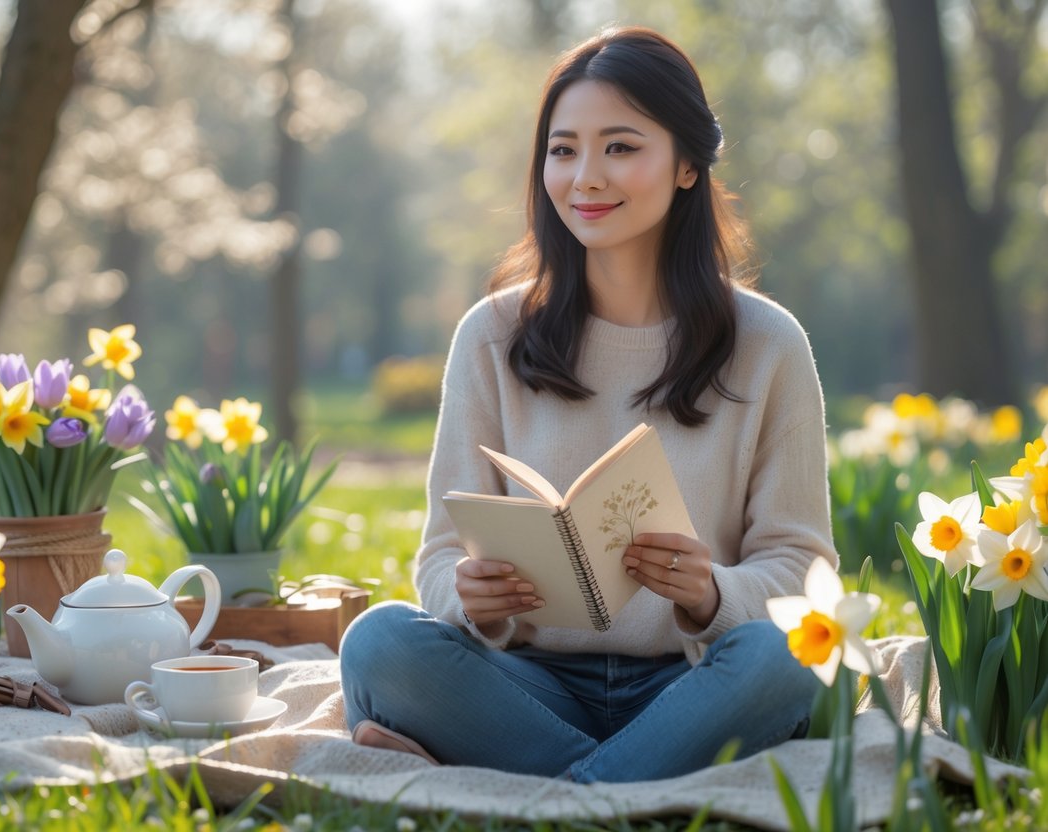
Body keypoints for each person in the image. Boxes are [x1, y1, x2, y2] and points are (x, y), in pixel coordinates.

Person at [339, 25, 834, 783]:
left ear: (687, 166)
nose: (585, 177)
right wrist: (473, 600)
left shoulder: (767, 344)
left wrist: (711, 592)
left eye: (621, 147)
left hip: (696, 682)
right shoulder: (491, 336)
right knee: (377, 643)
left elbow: (800, 569)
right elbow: (440, 558)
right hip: (528, 687)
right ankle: (624, 787)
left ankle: (551, 790)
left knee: (790, 653)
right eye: (563, 149)